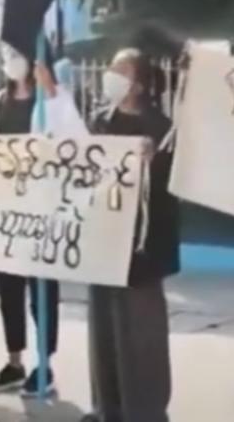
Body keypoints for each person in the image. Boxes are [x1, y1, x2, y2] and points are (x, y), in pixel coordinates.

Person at [0, 42, 87, 397]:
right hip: (7, 212)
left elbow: (76, 141)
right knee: (8, 289)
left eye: (17, 54)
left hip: (42, 212)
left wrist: (51, 92)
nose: (11, 61)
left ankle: (45, 364)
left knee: (42, 290)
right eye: (6, 55)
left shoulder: (54, 101)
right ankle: (14, 362)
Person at [81, 49, 179, 422]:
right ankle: (107, 409)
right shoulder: (98, 122)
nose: (112, 75)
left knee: (141, 335)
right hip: (104, 243)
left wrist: (157, 161)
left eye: (121, 70)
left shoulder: (162, 128)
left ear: (138, 84)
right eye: (111, 68)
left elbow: (175, 185)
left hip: (143, 249)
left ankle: (148, 412)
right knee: (104, 333)